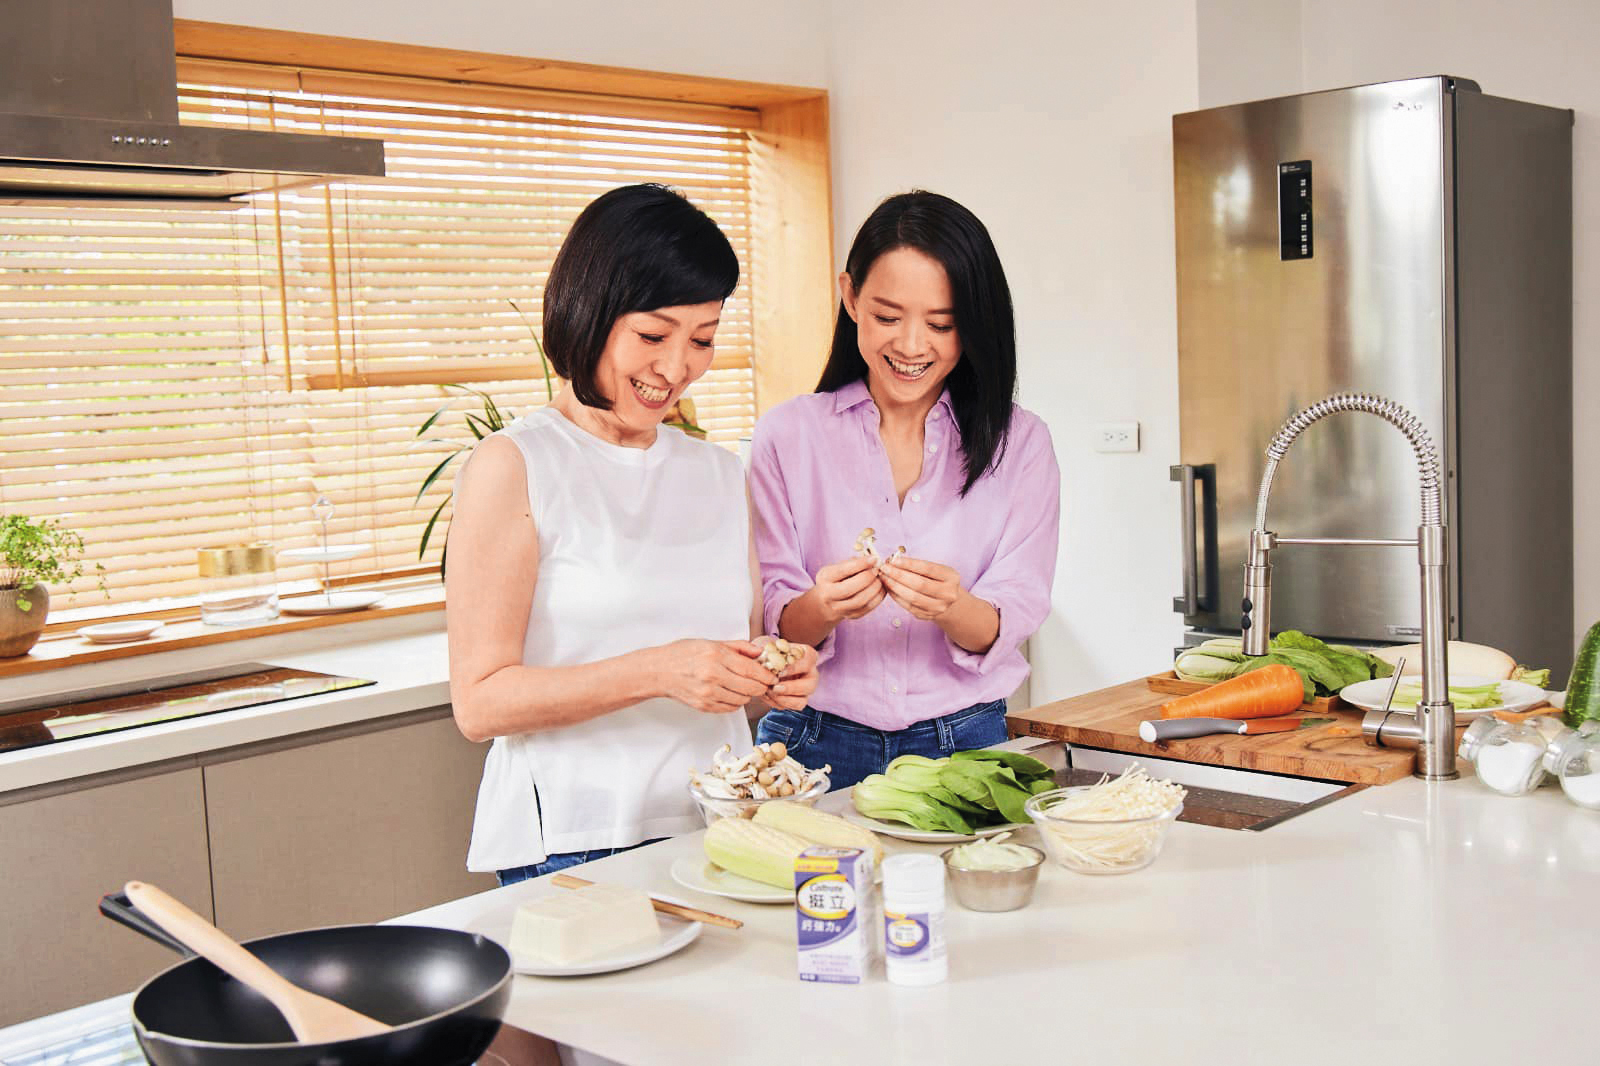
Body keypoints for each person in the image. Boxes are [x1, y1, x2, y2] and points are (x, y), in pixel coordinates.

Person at [447, 183, 819, 886]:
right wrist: (657, 671)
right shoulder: (517, 463)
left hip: (722, 826)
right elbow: (480, 702)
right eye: (652, 335)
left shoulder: (716, 471)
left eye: (702, 339)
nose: (676, 368)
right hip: (575, 840)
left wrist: (773, 674)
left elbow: (730, 665)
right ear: (589, 311)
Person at [749, 190, 1060, 789]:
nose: (912, 346)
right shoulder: (788, 434)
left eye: (942, 324)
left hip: (967, 741)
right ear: (850, 297)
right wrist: (821, 606)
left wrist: (954, 608)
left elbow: (1016, 606)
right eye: (888, 317)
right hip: (810, 737)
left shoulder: (1020, 443)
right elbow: (777, 622)